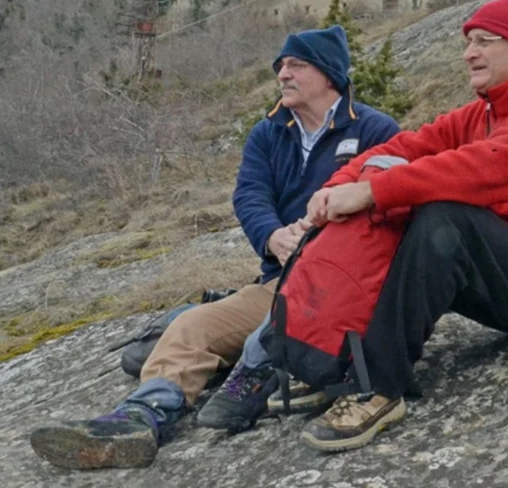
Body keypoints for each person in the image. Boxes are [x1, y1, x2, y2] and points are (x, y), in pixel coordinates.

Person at [28, 25, 400, 470]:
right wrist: (272, 236)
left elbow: (383, 209)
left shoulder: (376, 129)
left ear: (329, 74)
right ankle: (140, 418)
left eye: (296, 64)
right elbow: (250, 195)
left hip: (337, 290)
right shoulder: (268, 133)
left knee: (271, 332)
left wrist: (315, 238)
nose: (282, 74)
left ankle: (254, 370)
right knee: (193, 326)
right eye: (280, 65)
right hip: (278, 280)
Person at [294, 0, 508, 452]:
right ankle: (344, 361)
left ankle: (379, 386)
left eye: (484, 41)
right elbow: (405, 147)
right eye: (467, 42)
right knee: (400, 211)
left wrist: (373, 190)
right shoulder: (480, 114)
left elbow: (481, 169)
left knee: (442, 215)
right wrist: (339, 185)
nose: (469, 53)